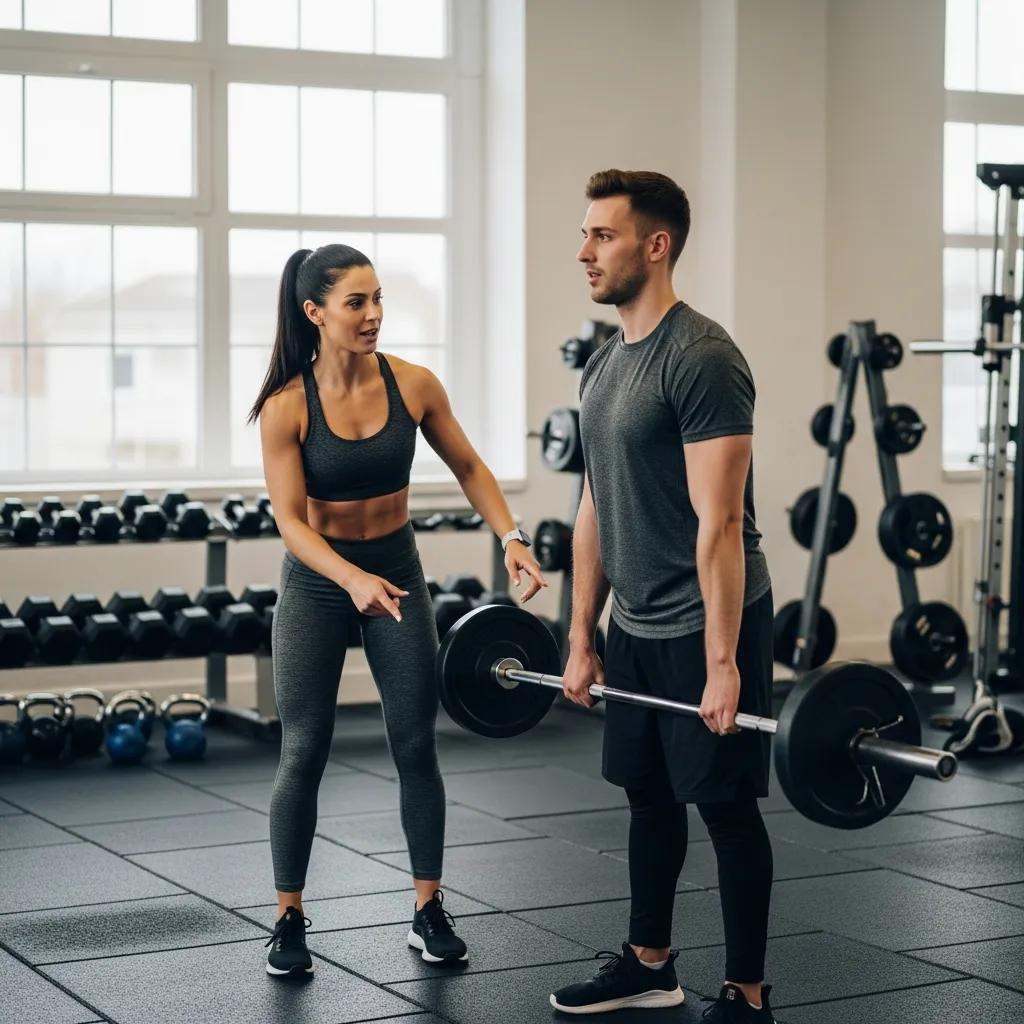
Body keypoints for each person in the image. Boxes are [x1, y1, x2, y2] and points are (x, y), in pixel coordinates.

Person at [250, 244, 546, 978]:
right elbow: (290, 522)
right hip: (320, 582)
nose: (374, 314)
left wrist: (510, 537)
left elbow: (471, 466)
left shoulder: (413, 385)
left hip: (398, 575)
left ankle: (428, 908)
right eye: (356, 303)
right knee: (305, 748)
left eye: (378, 298)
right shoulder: (288, 405)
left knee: (416, 742)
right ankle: (288, 917)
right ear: (315, 313)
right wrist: (349, 579)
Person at [549, 171, 776, 1022]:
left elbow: (721, 524)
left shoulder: (704, 359)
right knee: (647, 794)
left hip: (708, 617)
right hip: (636, 616)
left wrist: (723, 666)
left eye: (601, 236)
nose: (584, 252)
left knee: (723, 804)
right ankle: (650, 962)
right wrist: (580, 633)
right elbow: (593, 507)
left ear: (656, 245)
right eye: (585, 235)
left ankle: (747, 991)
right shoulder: (606, 366)